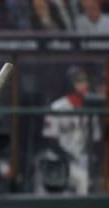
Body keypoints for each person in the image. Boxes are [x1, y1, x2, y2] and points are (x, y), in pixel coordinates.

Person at [41, 65, 101, 195]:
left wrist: (92, 160)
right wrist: (67, 157)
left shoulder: (91, 107)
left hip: (83, 160)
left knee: (84, 182)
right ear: (69, 84)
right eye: (79, 81)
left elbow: (96, 141)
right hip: (60, 159)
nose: (84, 84)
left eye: (85, 81)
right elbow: (50, 141)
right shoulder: (57, 107)